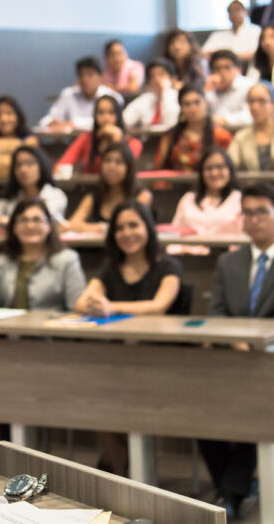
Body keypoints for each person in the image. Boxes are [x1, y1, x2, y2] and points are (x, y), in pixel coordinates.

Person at [197, 182, 274, 519]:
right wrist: (232, 342)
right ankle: (231, 483)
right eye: (247, 213)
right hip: (232, 354)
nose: (253, 220)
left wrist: (249, 344)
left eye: (261, 213)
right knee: (193, 386)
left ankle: (231, 491)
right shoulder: (229, 262)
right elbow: (218, 314)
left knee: (259, 379)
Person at [76, 201, 183, 476]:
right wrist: (94, 303)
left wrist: (113, 306)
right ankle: (118, 459)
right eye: (120, 227)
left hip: (159, 361)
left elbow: (158, 305)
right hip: (115, 360)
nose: (127, 233)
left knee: (110, 387)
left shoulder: (168, 266)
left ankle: (118, 466)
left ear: (148, 228)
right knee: (89, 389)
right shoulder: (110, 268)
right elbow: (81, 303)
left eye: (133, 225)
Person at [0, 198, 86, 310]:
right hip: (10, 326)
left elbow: (77, 308)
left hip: (50, 326)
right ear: (14, 227)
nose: (30, 226)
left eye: (37, 220)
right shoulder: (3, 260)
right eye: (23, 220)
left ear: (49, 226)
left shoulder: (67, 260)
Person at [66, 143, 154, 234]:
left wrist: (100, 228)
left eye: (118, 162)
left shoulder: (142, 196)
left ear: (129, 167)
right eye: (107, 161)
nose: (111, 166)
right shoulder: (93, 197)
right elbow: (72, 224)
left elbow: (134, 228)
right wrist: (101, 227)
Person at [0, 145, 68, 229]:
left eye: (29, 163)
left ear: (42, 166)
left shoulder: (55, 195)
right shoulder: (9, 195)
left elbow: (39, 221)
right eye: (18, 165)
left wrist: (2, 220)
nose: (23, 169)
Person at [55, 95, 142, 175]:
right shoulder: (86, 138)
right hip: (91, 189)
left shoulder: (133, 143)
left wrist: (117, 139)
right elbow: (62, 164)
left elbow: (126, 171)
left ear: (118, 116)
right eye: (101, 113)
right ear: (95, 116)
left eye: (111, 112)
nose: (106, 118)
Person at [154, 86, 233, 171]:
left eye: (197, 102)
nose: (192, 109)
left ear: (206, 104)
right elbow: (158, 168)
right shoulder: (170, 137)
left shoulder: (221, 136)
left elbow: (229, 168)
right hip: (176, 182)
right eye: (187, 104)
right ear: (181, 108)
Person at [228, 81, 274, 171]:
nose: (255, 107)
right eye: (251, 101)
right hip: (250, 184)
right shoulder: (240, 137)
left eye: (262, 101)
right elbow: (230, 166)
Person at [170, 148, 243, 235]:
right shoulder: (188, 198)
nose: (214, 173)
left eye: (220, 167)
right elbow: (174, 232)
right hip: (188, 247)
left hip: (227, 248)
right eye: (209, 168)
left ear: (229, 170)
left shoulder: (239, 199)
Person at [40, 56, 124, 131]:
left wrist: (75, 123)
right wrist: (51, 122)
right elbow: (46, 120)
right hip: (70, 142)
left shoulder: (112, 97)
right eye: (81, 75)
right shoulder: (68, 94)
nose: (84, 79)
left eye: (89, 74)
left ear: (100, 77)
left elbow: (113, 122)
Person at [122, 58, 180, 130]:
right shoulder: (146, 98)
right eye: (152, 76)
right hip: (147, 138)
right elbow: (125, 119)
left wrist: (166, 92)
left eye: (161, 74)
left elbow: (171, 124)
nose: (156, 79)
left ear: (173, 79)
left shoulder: (178, 97)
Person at [206, 50, 253, 128]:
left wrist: (225, 120)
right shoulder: (211, 87)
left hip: (241, 131)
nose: (222, 72)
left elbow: (250, 116)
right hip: (215, 133)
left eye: (227, 67)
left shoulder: (249, 86)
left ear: (239, 69)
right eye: (217, 69)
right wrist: (206, 91)